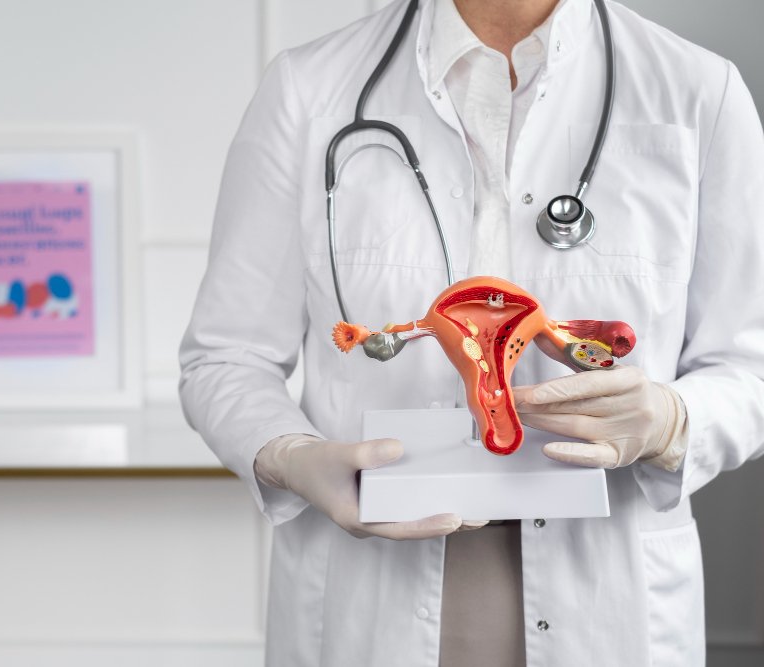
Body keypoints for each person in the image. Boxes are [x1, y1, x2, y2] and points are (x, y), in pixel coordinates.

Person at [179, 0, 764, 664]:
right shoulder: (307, 90)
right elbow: (224, 356)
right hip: (368, 595)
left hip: (608, 594)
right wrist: (290, 455)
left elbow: (752, 366)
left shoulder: (697, 92)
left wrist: (673, 420)